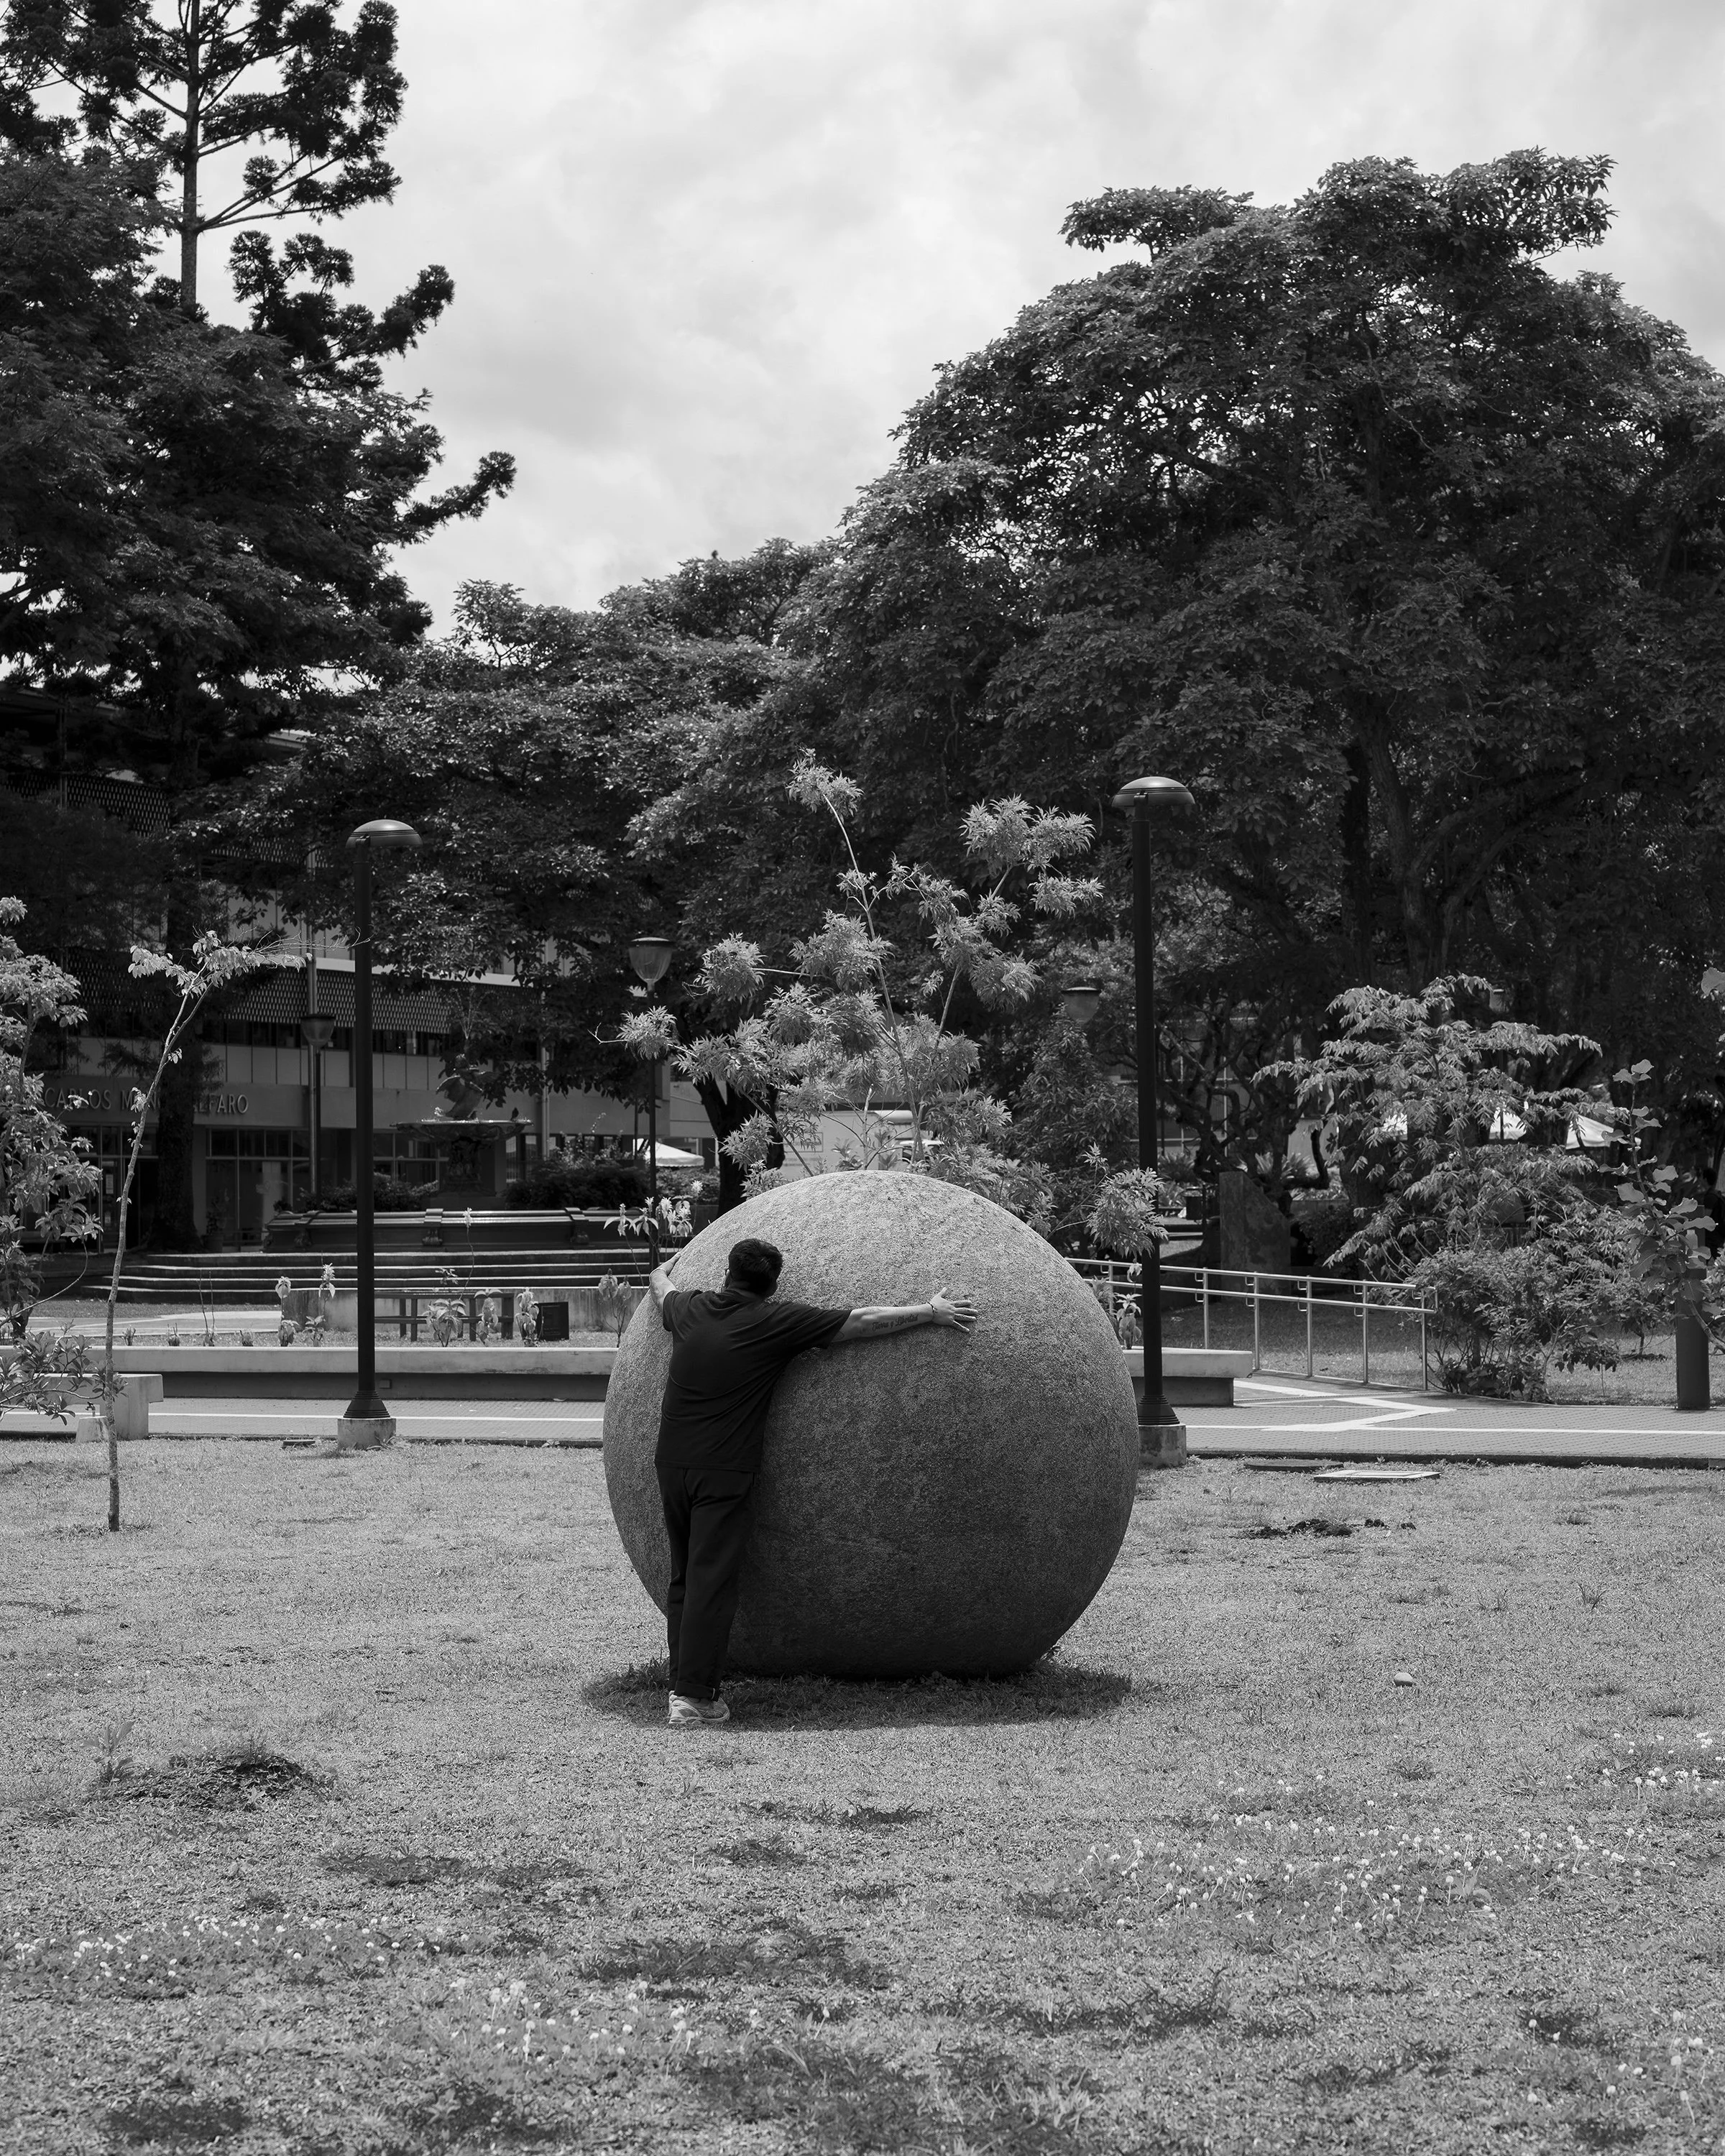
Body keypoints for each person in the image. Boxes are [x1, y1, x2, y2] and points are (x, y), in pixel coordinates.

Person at [649, 1233, 978, 1727]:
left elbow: (659, 1289)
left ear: (726, 1274)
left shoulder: (691, 1309)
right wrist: (929, 1312)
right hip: (723, 1470)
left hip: (672, 1461)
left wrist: (662, 1268)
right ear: (772, 1285)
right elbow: (862, 1322)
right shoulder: (774, 1320)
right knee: (709, 1582)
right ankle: (693, 1696)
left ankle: (685, 1685)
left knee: (685, 1577)